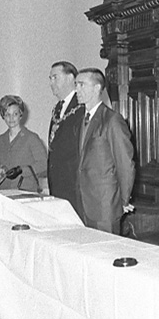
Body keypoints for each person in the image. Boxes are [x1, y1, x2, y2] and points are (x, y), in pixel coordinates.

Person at [75, 68, 135, 234]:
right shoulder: (82, 119)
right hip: (84, 202)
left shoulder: (112, 120)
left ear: (96, 88)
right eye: (76, 85)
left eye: (81, 85)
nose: (76, 90)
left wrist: (123, 200)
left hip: (105, 205)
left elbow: (125, 163)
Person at [47, 61, 85, 215]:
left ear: (70, 78)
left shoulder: (82, 107)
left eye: (55, 77)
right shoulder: (57, 108)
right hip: (57, 184)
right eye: (50, 78)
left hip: (75, 186)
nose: (51, 83)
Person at [0, 95, 47, 190]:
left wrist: (21, 170)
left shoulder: (31, 138)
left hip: (25, 193)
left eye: (15, 114)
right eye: (7, 114)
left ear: (21, 114)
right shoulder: (0, 140)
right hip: (3, 194)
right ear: (3, 115)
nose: (11, 118)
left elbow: (44, 165)